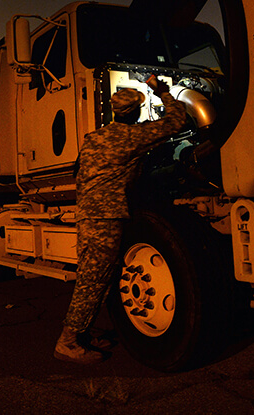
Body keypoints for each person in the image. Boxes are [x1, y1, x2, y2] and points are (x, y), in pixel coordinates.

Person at [54, 78, 188, 364]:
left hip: (90, 214)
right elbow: (176, 121)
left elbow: (78, 169)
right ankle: (67, 341)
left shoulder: (94, 137)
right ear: (135, 113)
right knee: (93, 280)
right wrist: (163, 91)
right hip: (106, 217)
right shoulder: (131, 137)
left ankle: (83, 333)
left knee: (100, 277)